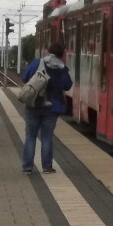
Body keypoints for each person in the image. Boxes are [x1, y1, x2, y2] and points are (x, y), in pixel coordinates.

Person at [21, 42, 73, 174]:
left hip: (34, 105)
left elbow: (25, 78)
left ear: (49, 51)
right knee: (47, 137)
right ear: (61, 54)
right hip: (52, 108)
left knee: (30, 136)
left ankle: (27, 167)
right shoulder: (62, 68)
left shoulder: (37, 63)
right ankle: (47, 167)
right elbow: (67, 86)